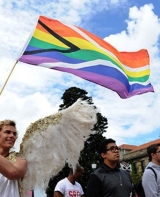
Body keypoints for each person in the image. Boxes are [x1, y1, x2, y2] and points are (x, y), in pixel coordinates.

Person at [0, 119, 27, 197]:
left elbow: (12, 173)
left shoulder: (20, 159)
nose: (12, 136)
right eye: (7, 132)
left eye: (14, 134)